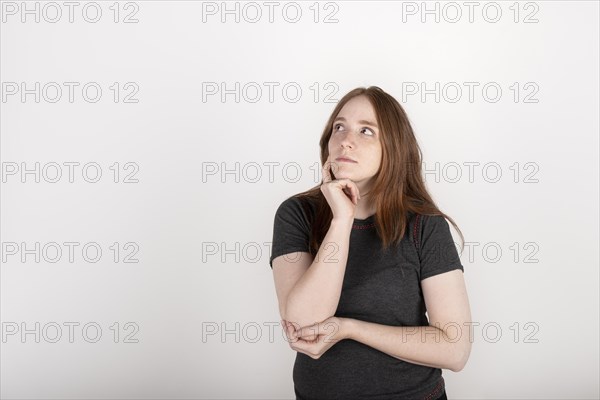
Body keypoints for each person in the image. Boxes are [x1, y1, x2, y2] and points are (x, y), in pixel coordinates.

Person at [269, 86, 472, 400]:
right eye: (339, 127)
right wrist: (341, 221)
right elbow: (304, 323)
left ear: (393, 148)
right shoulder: (297, 214)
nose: (345, 140)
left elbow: (455, 349)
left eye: (366, 131)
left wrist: (350, 328)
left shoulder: (424, 226)